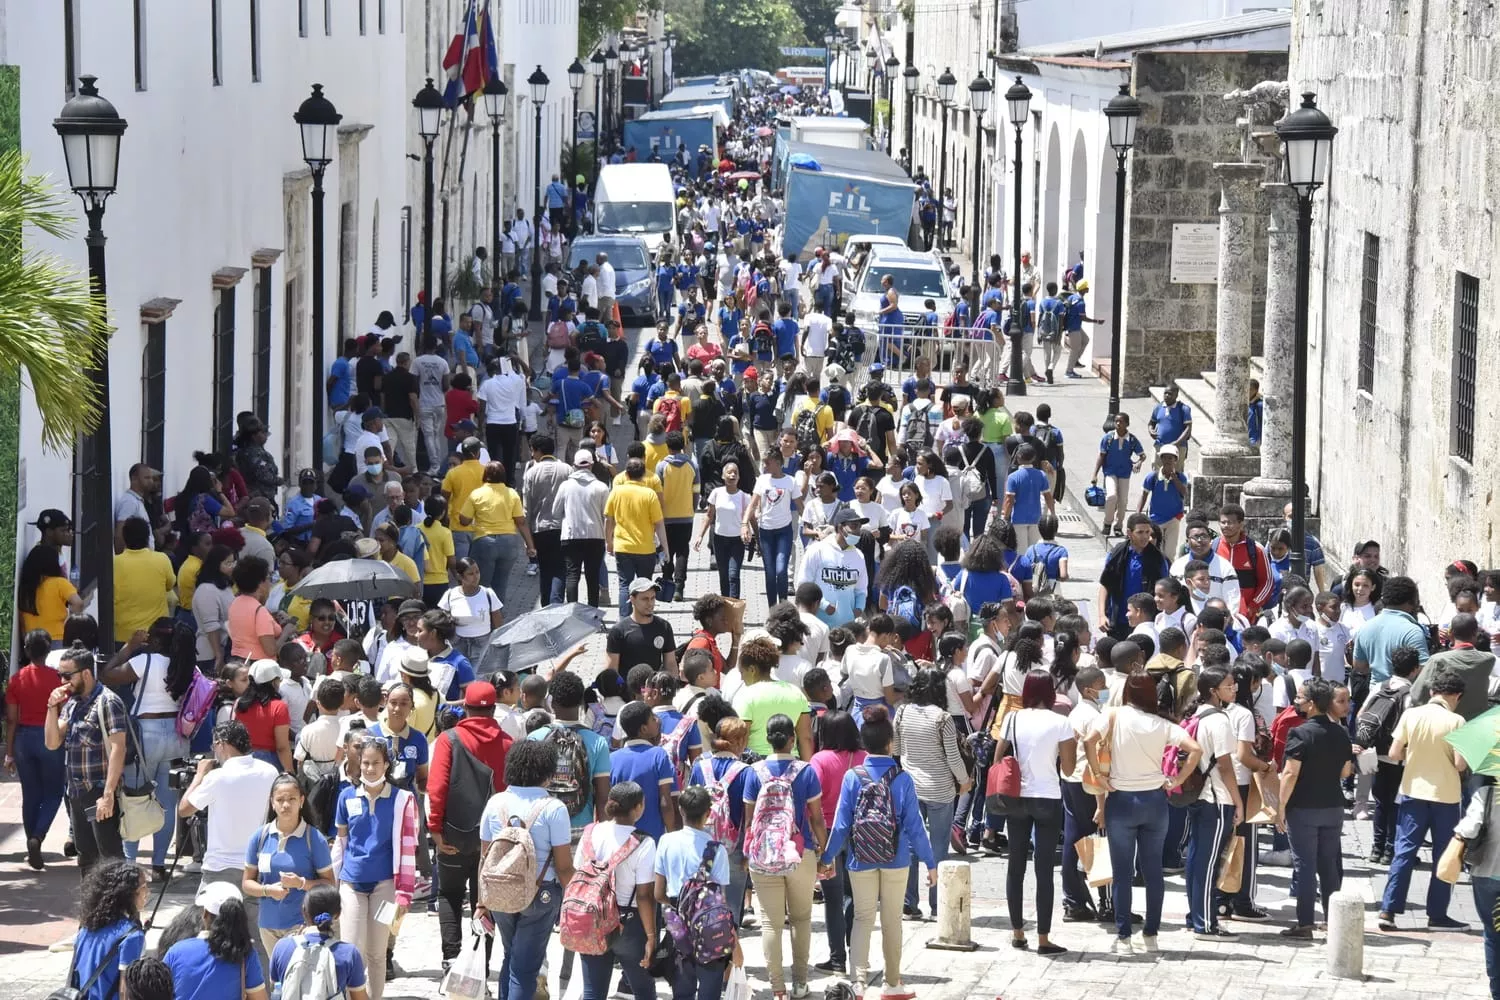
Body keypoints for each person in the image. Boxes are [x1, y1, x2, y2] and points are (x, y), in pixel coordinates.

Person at [821, 704, 935, 996]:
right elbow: (915, 827)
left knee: (862, 918)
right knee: (892, 920)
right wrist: (930, 862)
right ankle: (892, 983)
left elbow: (841, 825)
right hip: (896, 858)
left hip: (860, 858)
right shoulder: (902, 778)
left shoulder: (852, 777)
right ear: (890, 742)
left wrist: (826, 857)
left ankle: (858, 983)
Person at [1083, 674, 1201, 954]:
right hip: (1155, 800)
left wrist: (1098, 775)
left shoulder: (1114, 715)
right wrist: (1178, 779)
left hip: (1121, 800)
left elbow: (1088, 740)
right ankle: (1151, 934)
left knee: (1122, 873)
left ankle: (1123, 936)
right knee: (1153, 871)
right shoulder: (1162, 724)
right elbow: (1195, 750)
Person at [474, 739, 575, 1000]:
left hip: (499, 893)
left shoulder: (495, 803)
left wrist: (481, 901)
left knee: (512, 956)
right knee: (526, 966)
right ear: (547, 772)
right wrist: (576, 896)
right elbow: (563, 866)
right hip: (540, 894)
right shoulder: (554, 808)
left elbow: (484, 857)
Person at [99, 618, 198, 877]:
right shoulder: (186, 664)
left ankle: (130, 863)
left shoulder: (145, 661)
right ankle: (159, 864)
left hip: (146, 734)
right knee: (166, 803)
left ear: (154, 640)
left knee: (135, 797)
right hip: (177, 736)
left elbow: (106, 675)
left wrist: (129, 647)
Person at [428, 682, 512, 971]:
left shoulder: (448, 740)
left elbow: (436, 789)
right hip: (493, 841)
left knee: (449, 895)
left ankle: (452, 959)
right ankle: (480, 964)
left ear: (466, 707)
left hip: (453, 835)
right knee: (485, 900)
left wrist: (435, 829)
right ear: (493, 708)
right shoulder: (508, 743)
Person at [742, 713, 826, 1000]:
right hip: (799, 852)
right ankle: (800, 983)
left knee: (770, 923)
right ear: (792, 739)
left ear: (767, 740)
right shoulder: (806, 771)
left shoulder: (754, 773)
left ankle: (777, 988)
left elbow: (749, 820)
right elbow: (816, 818)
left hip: (764, 855)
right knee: (801, 919)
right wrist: (823, 849)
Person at [178, 720, 280, 957]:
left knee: (208, 938)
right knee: (258, 941)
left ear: (222, 744)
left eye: (215, 746)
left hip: (219, 869)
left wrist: (200, 775)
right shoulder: (269, 772)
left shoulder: (217, 777)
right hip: (256, 868)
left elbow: (184, 808)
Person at [1378, 667, 1468, 931]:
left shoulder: (1411, 714)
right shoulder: (1457, 722)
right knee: (1444, 855)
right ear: (1457, 696)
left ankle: (1388, 910)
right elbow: (1460, 765)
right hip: (1446, 797)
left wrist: (1415, 755)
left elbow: (1394, 753)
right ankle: (1437, 914)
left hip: (1412, 792)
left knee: (1404, 852)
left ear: (1431, 692)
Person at [333, 735, 418, 999]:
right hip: (351, 883)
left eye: (376, 763)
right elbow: (341, 842)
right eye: (365, 763)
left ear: (386, 765)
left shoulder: (402, 799)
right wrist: (329, 882)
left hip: (386, 885)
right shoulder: (346, 797)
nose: (370, 768)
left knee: (377, 953)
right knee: (351, 950)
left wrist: (405, 892)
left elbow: (408, 848)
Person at [1278, 678, 1355, 938]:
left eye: (1300, 698)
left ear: (1311, 704)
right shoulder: (1341, 732)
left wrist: (1280, 807)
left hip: (1303, 807)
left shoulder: (1300, 733)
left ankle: (1305, 923)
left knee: (1305, 866)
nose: (1296, 702)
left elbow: (1290, 773)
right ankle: (1334, 921)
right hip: (1333, 805)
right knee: (1328, 865)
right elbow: (1346, 771)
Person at [894, 669, 970, 920]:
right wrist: (965, 781)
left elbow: (895, 747)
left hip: (910, 789)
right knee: (938, 848)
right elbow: (953, 756)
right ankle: (938, 904)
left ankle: (908, 902)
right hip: (940, 789)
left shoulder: (903, 712)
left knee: (911, 846)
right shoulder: (943, 718)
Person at [45, 645, 128, 874]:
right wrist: (51, 707)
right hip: (76, 794)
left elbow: (117, 749)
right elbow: (52, 743)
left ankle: (122, 908)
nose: (62, 681)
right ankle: (93, 909)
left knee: (111, 859)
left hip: (98, 792)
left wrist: (108, 795)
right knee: (87, 860)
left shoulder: (108, 702)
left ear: (86, 673)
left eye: (66, 675)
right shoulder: (72, 704)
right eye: (59, 675)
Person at [654, 784, 739, 1000]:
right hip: (710, 926)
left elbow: (658, 893)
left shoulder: (666, 841)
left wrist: (676, 911)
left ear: (680, 810)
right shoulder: (716, 849)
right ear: (708, 813)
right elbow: (722, 900)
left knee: (682, 989)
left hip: (677, 924)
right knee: (710, 989)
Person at [242, 772, 336, 960]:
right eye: (280, 799)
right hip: (267, 926)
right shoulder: (260, 837)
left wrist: (302, 883)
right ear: (272, 802)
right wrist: (268, 890)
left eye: (291, 799)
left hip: (301, 925)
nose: (286, 805)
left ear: (301, 801)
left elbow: (329, 884)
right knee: (278, 981)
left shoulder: (314, 838)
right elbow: (247, 883)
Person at [1182, 667, 1244, 940]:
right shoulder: (1219, 720)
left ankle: (1195, 916)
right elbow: (1226, 766)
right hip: (1217, 797)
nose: (1234, 689)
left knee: (1197, 858)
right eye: (1229, 685)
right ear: (1213, 691)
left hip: (1199, 795)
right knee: (1208, 863)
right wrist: (1238, 802)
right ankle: (1205, 923)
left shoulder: (1196, 715)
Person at [807, 711, 863, 975]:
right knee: (855, 896)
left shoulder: (820, 760)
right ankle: (857, 955)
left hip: (827, 833)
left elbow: (812, 803)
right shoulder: (864, 758)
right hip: (860, 833)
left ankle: (837, 959)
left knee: (832, 897)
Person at [5, 630, 66, 870]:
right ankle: (37, 836)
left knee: (30, 794)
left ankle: (33, 843)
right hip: (49, 736)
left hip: (23, 738)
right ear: (48, 650)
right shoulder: (57, 679)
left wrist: (9, 752)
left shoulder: (17, 679)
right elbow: (64, 712)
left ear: (27, 651)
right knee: (54, 792)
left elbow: (11, 720)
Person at [269, 885, 370, 999]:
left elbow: (276, 990)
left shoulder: (282, 947)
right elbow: (359, 997)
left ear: (303, 911)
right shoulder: (349, 953)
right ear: (338, 914)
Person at [457, 461, 535, 605]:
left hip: (484, 542)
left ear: (485, 475)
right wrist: (530, 546)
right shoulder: (512, 493)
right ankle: (497, 619)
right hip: (509, 543)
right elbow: (521, 522)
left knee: (480, 583)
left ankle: (481, 615)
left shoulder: (477, 494)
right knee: (501, 583)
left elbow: (464, 520)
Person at [70, 859, 149, 1000]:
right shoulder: (131, 936)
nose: (147, 893)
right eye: (144, 887)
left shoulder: (86, 929)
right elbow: (126, 992)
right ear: (129, 894)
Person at [605, 459, 670, 616]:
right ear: (643, 475)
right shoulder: (650, 495)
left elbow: (609, 519)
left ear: (626, 474)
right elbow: (659, 524)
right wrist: (665, 548)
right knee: (645, 586)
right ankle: (643, 618)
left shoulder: (616, 492)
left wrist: (608, 541)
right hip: (645, 548)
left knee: (624, 585)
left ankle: (624, 621)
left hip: (623, 547)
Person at [557, 448, 610, 607]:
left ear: (574, 465)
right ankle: (593, 614)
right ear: (591, 465)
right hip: (595, 535)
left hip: (571, 536)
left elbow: (555, 511)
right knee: (592, 576)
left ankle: (573, 613)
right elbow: (606, 514)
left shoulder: (565, 486)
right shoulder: (601, 487)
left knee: (572, 575)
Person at [114, 517, 178, 647]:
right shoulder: (162, 559)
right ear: (148, 537)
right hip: (156, 635)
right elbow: (170, 585)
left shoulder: (114, 563)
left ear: (125, 538)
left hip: (123, 636)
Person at [696, 458, 749, 598]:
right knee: (723, 575)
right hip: (719, 539)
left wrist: (757, 539)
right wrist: (700, 535)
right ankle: (726, 604)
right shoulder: (716, 493)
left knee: (733, 574)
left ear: (739, 477)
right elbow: (709, 515)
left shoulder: (744, 497)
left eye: (735, 473)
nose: (732, 475)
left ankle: (734, 605)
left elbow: (751, 519)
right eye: (729, 472)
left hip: (737, 541)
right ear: (723, 476)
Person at [437, 557, 504, 663]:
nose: (476, 577)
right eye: (470, 574)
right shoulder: (450, 595)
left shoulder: (488, 594)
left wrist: (499, 642)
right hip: (457, 644)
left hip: (482, 643)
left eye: (477, 572)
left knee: (478, 676)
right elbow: (442, 621)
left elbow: (498, 621)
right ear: (460, 576)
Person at [606, 579, 678, 676]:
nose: (650, 603)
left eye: (653, 598)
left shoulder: (664, 627)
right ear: (632, 600)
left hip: (653, 689)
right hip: (627, 689)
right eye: (645, 599)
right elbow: (611, 670)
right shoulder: (619, 631)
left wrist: (672, 687)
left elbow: (670, 664)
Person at [1091, 413, 1144, 538]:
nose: (1118, 424)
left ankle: (1118, 525)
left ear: (1127, 424)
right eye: (1116, 421)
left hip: (1125, 473)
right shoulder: (1108, 439)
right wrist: (1095, 474)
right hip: (1110, 472)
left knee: (1123, 501)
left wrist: (1138, 463)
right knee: (1111, 496)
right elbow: (1101, 456)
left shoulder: (1131, 440)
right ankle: (1107, 523)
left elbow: (1142, 455)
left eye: (1121, 422)